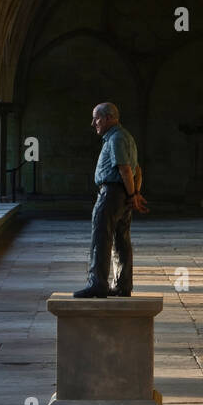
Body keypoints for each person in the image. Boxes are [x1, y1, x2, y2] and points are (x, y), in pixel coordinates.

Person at [74, 102, 149, 298]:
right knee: (121, 239)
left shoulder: (116, 138)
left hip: (112, 194)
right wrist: (134, 194)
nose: (93, 123)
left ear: (109, 118)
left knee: (101, 237)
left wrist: (133, 195)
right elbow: (137, 170)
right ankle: (123, 285)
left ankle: (98, 283)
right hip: (124, 194)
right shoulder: (127, 138)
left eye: (96, 118)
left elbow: (125, 169)